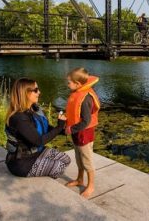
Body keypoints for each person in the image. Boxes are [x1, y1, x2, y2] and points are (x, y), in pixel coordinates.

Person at [4, 78, 71, 179]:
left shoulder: (33, 109)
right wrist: (59, 126)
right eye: (35, 90)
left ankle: (43, 167)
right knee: (59, 167)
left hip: (36, 152)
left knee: (66, 159)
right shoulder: (19, 118)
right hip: (21, 161)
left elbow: (45, 127)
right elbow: (39, 141)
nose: (39, 92)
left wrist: (63, 130)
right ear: (25, 93)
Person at [59, 67, 100, 198]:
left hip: (84, 134)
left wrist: (71, 129)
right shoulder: (77, 93)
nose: (67, 84)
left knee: (87, 161)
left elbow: (86, 121)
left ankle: (91, 185)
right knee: (79, 159)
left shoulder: (85, 99)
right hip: (77, 133)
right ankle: (80, 179)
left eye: (69, 82)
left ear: (78, 84)